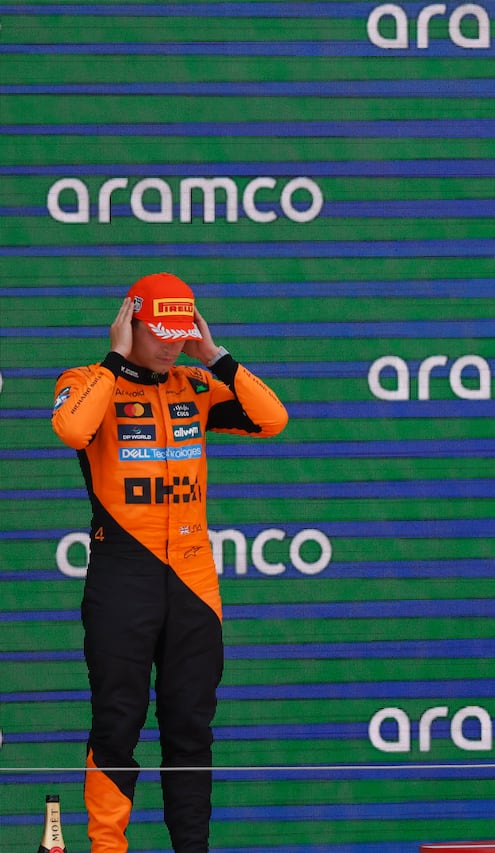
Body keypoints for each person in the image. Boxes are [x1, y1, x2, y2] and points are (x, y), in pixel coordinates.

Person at [51, 272, 288, 853]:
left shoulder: (196, 385)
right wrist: (113, 360)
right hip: (122, 576)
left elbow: (272, 418)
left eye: (183, 333)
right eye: (161, 332)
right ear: (130, 322)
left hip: (193, 580)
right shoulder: (88, 381)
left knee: (190, 728)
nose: (172, 344)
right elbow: (72, 427)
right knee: (117, 722)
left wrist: (218, 357)